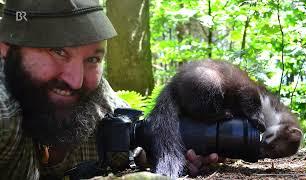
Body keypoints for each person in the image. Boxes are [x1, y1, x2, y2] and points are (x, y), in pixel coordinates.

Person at [0, 0, 221, 179]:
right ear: (6, 47)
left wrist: (164, 152)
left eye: (93, 59)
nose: (76, 81)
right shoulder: (4, 111)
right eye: (58, 51)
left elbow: (138, 141)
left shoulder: (99, 105)